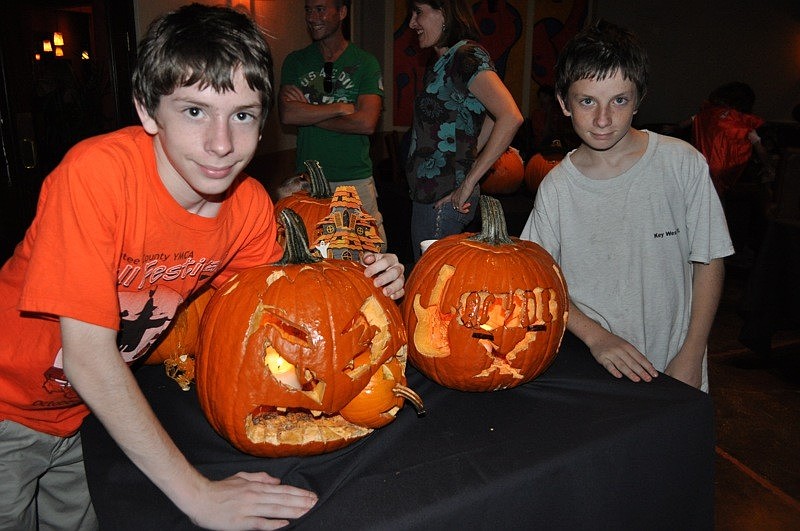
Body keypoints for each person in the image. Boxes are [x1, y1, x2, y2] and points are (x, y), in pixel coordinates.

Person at [0, 4, 405, 530]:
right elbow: (89, 359)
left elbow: (278, 308)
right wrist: (199, 496)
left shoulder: (250, 208)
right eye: (194, 111)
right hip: (9, 407)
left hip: (86, 418)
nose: (221, 143)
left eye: (242, 115)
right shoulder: (97, 177)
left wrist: (368, 281)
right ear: (147, 111)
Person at [520, 20, 734, 392]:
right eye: (587, 101)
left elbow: (710, 259)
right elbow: (539, 280)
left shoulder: (682, 163)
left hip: (675, 360)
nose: (603, 119)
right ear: (563, 103)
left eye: (619, 100)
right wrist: (597, 337)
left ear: (639, 99)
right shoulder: (556, 187)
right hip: (592, 365)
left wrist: (693, 353)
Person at [405, 0, 523, 262]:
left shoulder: (465, 56)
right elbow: (492, 115)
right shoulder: (445, 61)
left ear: (444, 12)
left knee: (431, 292)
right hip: (431, 196)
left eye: (418, 13)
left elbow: (509, 115)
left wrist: (467, 182)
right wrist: (468, 157)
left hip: (443, 200)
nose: (412, 23)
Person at [279, 0, 387, 248]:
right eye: (308, 10)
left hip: (354, 180)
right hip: (306, 183)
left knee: (369, 256)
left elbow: (366, 122)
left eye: (320, 9)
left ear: (342, 12)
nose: (312, 17)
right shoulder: (296, 61)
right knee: (310, 258)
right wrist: (338, 108)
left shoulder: (365, 63)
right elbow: (288, 115)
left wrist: (309, 113)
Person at [691, 81, 774, 198]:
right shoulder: (743, 121)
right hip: (722, 170)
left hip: (704, 167)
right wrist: (769, 166)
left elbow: (692, 120)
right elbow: (760, 149)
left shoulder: (711, 116)